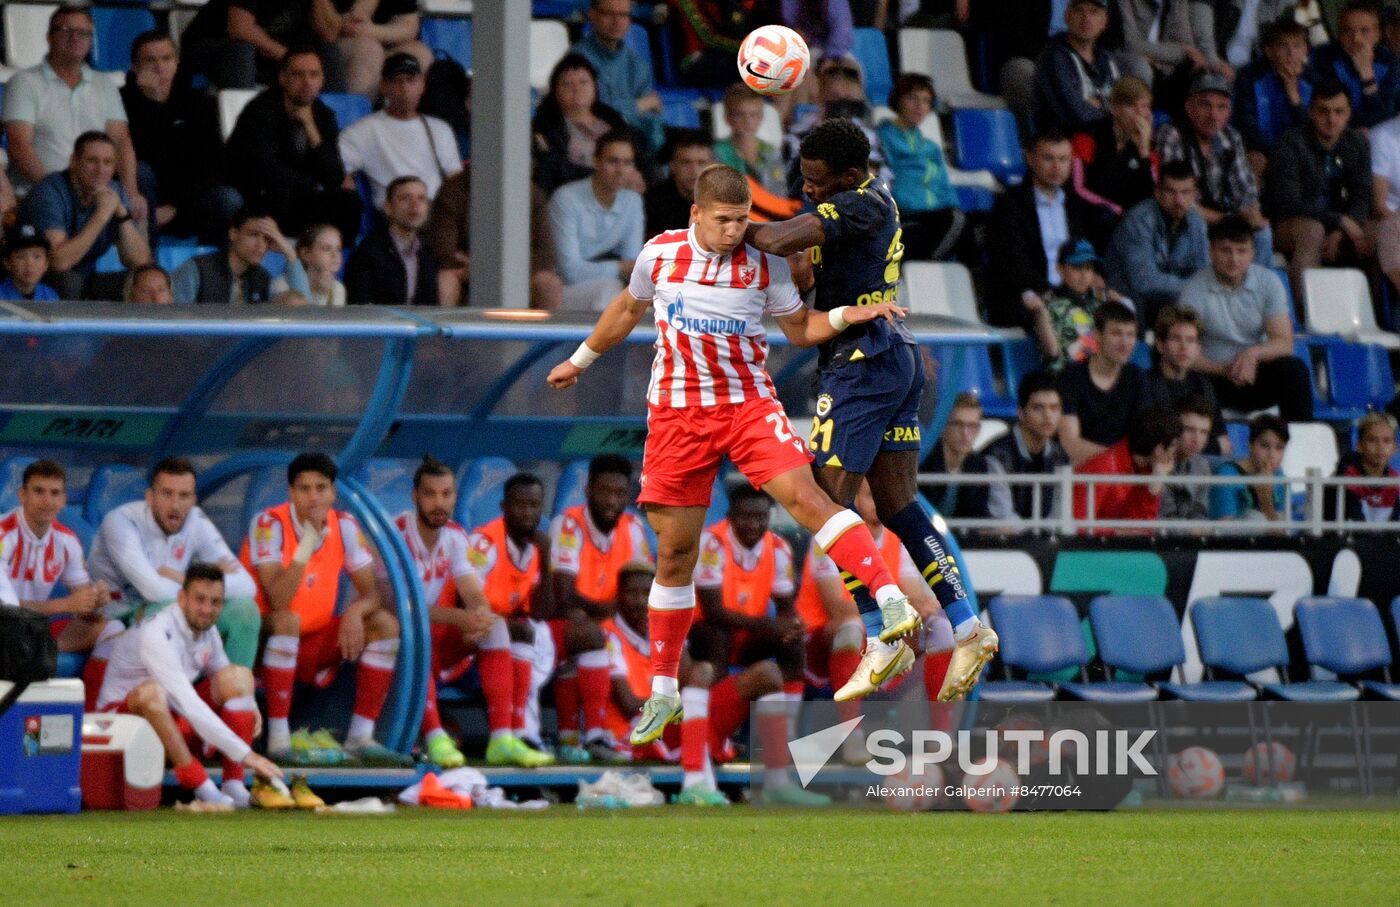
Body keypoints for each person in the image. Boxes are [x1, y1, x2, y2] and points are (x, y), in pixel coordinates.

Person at [547, 162, 926, 748]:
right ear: (696, 214)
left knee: (807, 498)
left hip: (747, 407)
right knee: (675, 554)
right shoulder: (660, 255)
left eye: (742, 220)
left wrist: (853, 313)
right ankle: (664, 691)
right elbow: (627, 309)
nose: (733, 232)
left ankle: (891, 599)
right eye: (723, 221)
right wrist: (580, 359)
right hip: (677, 417)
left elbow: (799, 329)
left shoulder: (764, 263)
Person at [743, 118, 995, 701]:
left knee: (827, 504)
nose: (808, 190)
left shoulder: (861, 202)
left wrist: (726, 222)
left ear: (849, 176)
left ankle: (883, 628)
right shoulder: (855, 209)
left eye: (815, 181)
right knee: (898, 505)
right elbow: (805, 271)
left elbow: (780, 239)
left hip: (861, 362)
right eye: (803, 180)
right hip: (889, 358)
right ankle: (967, 626)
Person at [240, 452, 406, 766]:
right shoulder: (269, 523)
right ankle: (278, 739)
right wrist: (307, 542)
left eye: (321, 488)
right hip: (262, 647)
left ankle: (360, 737)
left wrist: (356, 612)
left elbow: (372, 594)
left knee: (384, 624)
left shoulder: (344, 525)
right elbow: (279, 601)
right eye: (304, 489)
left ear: (333, 492)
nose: (313, 497)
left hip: (313, 642)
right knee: (287, 619)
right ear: (291, 492)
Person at [603, 561, 815, 805]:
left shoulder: (662, 630)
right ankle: (695, 784)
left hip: (679, 722)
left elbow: (683, 681)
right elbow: (629, 704)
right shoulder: (609, 635)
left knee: (768, 675)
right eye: (632, 593)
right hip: (640, 733)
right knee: (702, 671)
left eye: (646, 593)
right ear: (618, 597)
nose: (640, 601)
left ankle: (777, 783)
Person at [95, 565, 292, 809]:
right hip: (120, 729)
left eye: (215, 602)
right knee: (152, 692)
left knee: (240, 676)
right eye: (200, 599)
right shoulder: (157, 632)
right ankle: (202, 785)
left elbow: (228, 676)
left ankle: (234, 786)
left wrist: (251, 705)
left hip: (169, 726)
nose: (207, 609)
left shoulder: (207, 632)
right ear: (182, 598)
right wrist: (246, 753)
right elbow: (185, 700)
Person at [390, 458, 538, 770]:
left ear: (455, 496)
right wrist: (459, 618)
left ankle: (502, 738)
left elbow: (470, 588)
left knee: (496, 626)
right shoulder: (396, 534)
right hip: (404, 639)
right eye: (430, 494)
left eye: (446, 494)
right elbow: (398, 606)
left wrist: (480, 615)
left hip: (442, 637)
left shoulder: (456, 535)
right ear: (414, 496)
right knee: (413, 635)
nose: (438, 503)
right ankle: (435, 737)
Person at [795, 480, 950, 760]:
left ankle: (941, 739)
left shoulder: (896, 539)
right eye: (870, 494)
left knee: (940, 628)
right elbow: (838, 608)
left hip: (878, 640)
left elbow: (913, 594)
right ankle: (851, 737)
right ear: (855, 498)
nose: (878, 500)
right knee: (852, 628)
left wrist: (924, 608)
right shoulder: (829, 537)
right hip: (819, 648)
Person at [88, 456, 262, 673]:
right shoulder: (121, 522)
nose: (175, 505)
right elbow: (153, 591)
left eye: (184, 495)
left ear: (194, 500)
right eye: (167, 494)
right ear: (150, 497)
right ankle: (177, 698)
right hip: (121, 615)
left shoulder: (195, 520)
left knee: (245, 611)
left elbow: (247, 587)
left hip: (176, 602)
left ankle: (235, 698)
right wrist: (209, 582)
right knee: (173, 610)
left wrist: (184, 578)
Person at [540, 455, 651, 764]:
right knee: (588, 632)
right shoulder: (569, 524)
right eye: (605, 491)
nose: (612, 501)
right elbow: (565, 597)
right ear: (588, 490)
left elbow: (646, 588)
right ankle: (585, 735)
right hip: (570, 626)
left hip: (616, 626)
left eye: (620, 493)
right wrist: (613, 613)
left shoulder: (634, 528)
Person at [4, 5, 142, 223]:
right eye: (67, 31)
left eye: (84, 33)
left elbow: (121, 142)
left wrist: (132, 192)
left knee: (136, 201)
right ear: (50, 37)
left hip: (96, 189)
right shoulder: (25, 83)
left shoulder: (104, 85)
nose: (76, 38)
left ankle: (147, 258)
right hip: (42, 188)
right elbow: (19, 145)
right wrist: (58, 190)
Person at [2, 460, 120, 705]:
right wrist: (64, 605)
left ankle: (96, 713)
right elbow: (7, 612)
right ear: (22, 495)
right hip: (5, 629)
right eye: (39, 491)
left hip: (31, 634)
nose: (48, 500)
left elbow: (82, 604)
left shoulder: (67, 541)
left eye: (55, 493)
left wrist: (95, 601)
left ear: (64, 500)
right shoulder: (4, 533)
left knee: (111, 629)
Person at [458, 472, 556, 765]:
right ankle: (512, 733)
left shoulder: (534, 548)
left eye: (534, 506)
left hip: (501, 638)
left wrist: (548, 555)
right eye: (520, 505)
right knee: (515, 631)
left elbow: (542, 612)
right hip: (466, 636)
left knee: (532, 631)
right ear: (504, 507)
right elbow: (465, 599)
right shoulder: (485, 542)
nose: (527, 513)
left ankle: (518, 733)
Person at [1177, 215, 1315, 420]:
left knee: (1294, 371)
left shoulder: (1269, 282)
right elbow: (1183, 349)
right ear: (1211, 251)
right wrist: (1225, 370)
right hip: (1212, 375)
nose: (1234, 259)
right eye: (1226, 250)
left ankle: (1299, 442)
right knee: (1184, 377)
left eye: (1242, 251)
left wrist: (1253, 354)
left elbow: (1284, 343)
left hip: (1254, 373)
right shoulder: (1193, 289)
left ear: (1252, 253)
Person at [689, 487, 806, 719]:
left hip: (748, 635)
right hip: (705, 634)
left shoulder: (779, 547)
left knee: (792, 643)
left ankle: (788, 726)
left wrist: (791, 626)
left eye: (760, 517)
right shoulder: (712, 542)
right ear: (731, 515)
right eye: (745, 517)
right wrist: (767, 625)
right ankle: (718, 721)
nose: (753, 524)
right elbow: (713, 611)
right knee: (717, 635)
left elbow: (785, 607)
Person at [225, 47, 362, 244]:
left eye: (314, 75)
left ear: (322, 80)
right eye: (298, 74)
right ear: (282, 78)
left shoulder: (323, 115)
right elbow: (266, 169)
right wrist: (314, 185)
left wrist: (311, 127)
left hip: (300, 200)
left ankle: (335, 263)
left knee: (349, 203)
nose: (307, 82)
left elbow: (334, 176)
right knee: (282, 188)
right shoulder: (259, 112)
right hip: (261, 199)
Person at [122, 30, 240, 245]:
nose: (159, 67)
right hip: (142, 202)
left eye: (166, 59)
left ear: (176, 62)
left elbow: (215, 164)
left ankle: (211, 268)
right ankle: (145, 263)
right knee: (141, 171)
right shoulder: (122, 101)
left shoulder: (199, 102)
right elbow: (140, 156)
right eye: (150, 60)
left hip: (186, 204)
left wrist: (176, 208)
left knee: (228, 199)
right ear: (135, 66)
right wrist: (152, 102)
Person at [988, 130, 1109, 327]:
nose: (1057, 167)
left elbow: (1087, 252)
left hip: (1073, 292)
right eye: (1048, 158)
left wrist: (1096, 277)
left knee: (1121, 309)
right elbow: (1014, 264)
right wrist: (1055, 293)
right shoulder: (1009, 205)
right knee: (1076, 322)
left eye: (1063, 159)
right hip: (1029, 296)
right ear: (1030, 158)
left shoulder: (1075, 205)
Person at [1269, 80, 1375, 303]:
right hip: (1293, 227)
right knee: (1313, 230)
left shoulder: (1357, 143)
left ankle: (1382, 316)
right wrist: (1339, 220)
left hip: (1339, 228)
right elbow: (1287, 203)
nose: (1332, 119)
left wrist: (1339, 230)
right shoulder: (1290, 143)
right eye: (1323, 111)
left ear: (1349, 113)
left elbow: (1362, 195)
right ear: (1311, 112)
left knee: (1382, 232)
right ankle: (1306, 315)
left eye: (1339, 112)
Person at [19, 131, 152, 301]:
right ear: (74, 161)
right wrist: (102, 214)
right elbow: (58, 262)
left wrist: (121, 213)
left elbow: (141, 262)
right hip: (40, 280)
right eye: (92, 161)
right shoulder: (50, 192)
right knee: (69, 281)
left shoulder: (115, 191)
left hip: (87, 278)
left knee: (144, 283)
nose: (100, 170)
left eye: (108, 162)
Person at [1156, 72, 1273, 260]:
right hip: (1182, 220)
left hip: (1225, 220)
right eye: (1205, 105)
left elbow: (1245, 192)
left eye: (1222, 107)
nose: (1214, 115)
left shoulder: (1231, 137)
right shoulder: (1172, 134)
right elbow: (1177, 199)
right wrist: (1225, 220)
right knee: (1196, 224)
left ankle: (1257, 287)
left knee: (1263, 233)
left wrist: (1252, 215)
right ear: (1189, 107)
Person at [427, 167, 563, 310]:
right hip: (466, 271)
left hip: (520, 271)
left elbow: (544, 253)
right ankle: (446, 331)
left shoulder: (531, 193)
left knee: (549, 284)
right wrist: (480, 269)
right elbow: (444, 249)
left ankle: (543, 333)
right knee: (446, 280)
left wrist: (503, 270)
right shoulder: (453, 191)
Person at [338, 52, 461, 209]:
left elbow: (455, 182)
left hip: (435, 214)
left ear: (422, 85)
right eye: (397, 81)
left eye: (411, 80)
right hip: (394, 213)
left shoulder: (440, 129)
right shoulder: (362, 131)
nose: (404, 88)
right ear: (383, 86)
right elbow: (336, 171)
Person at [1104, 161, 1212, 323]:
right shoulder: (1139, 220)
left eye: (1186, 192)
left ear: (1194, 194)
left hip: (1172, 294)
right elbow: (1144, 281)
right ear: (1157, 192)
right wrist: (1194, 287)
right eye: (1171, 192)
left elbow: (1204, 270)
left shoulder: (1196, 222)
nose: (1179, 200)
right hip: (1129, 296)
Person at [549, 131, 645, 311]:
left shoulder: (633, 201)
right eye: (613, 161)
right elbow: (569, 272)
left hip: (607, 284)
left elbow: (632, 264)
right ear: (596, 162)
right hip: (559, 288)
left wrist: (624, 269)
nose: (620, 170)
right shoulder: (566, 199)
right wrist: (620, 267)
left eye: (627, 163)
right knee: (609, 290)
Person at [877, 74, 966, 261]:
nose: (920, 106)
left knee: (968, 227)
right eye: (912, 98)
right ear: (898, 100)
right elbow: (883, 177)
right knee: (920, 235)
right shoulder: (883, 137)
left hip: (933, 213)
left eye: (926, 101)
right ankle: (929, 265)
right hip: (902, 214)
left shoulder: (931, 148)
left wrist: (952, 208)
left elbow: (944, 185)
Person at [178, 0, 347, 92]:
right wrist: (291, 58)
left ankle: (331, 134)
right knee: (241, 50)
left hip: (269, 58)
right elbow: (240, 29)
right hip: (214, 49)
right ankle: (241, 131)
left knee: (330, 52)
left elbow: (330, 34)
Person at [532, 54, 636, 195]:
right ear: (555, 92)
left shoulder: (614, 119)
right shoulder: (546, 129)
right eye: (567, 84)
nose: (576, 88)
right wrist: (608, 179)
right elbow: (554, 171)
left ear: (595, 87)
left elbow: (642, 154)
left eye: (583, 82)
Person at [1058, 300, 1147, 464]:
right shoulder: (1071, 376)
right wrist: (1120, 460)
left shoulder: (1137, 377)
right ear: (1097, 335)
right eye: (1116, 333)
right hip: (1083, 470)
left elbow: (1142, 440)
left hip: (1124, 474)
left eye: (1130, 335)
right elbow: (1070, 444)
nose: (1125, 342)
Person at [1024, 237, 1127, 373]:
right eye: (1077, 267)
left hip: (1102, 379)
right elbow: (1055, 357)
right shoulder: (1048, 306)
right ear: (1060, 269)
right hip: (1067, 380)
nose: (1084, 275)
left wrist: (1118, 311)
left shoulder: (1103, 304)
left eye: (1089, 268)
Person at [1072, 405, 1183, 528]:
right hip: (1092, 545)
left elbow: (1141, 530)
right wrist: (1116, 533)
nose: (1175, 453)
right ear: (1159, 450)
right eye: (1173, 446)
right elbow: (1076, 524)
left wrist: (1154, 486)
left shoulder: (1149, 470)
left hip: (1120, 545)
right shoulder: (1104, 467)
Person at [574, 0, 665, 147]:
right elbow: (589, 113)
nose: (617, 21)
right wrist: (639, 105)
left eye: (623, 15)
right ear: (592, 15)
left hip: (633, 148)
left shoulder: (637, 63)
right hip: (590, 148)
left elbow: (652, 118)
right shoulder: (576, 61)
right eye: (609, 14)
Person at [1142, 304, 1230, 453]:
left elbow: (1224, 442)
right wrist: (1212, 446)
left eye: (1190, 340)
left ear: (1198, 348)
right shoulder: (1145, 384)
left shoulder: (1203, 384)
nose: (1184, 346)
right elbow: (1151, 441)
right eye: (1176, 339)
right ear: (1160, 345)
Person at [172, 211, 309, 305]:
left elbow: (303, 306)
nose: (261, 245)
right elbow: (176, 322)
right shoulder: (197, 269)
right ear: (233, 233)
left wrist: (290, 254)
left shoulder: (262, 277)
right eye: (253, 235)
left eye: (267, 239)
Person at [985, 372, 1071, 520]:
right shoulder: (996, 454)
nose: (1048, 416)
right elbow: (1003, 517)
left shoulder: (1060, 455)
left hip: (1043, 539)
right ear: (1021, 413)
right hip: (1004, 541)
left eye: (1054, 408)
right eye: (1038, 408)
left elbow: (1059, 514)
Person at [1234, 18, 1316, 172]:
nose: (1291, 53)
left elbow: (1314, 127)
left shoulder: (1313, 79)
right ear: (1269, 51)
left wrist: (1294, 97)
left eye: (1297, 46)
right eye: (1283, 46)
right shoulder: (1250, 76)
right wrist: (1276, 154)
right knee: (1256, 161)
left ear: (1306, 50)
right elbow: (1246, 123)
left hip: (1301, 151)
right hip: (1263, 150)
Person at [345, 176, 439, 306]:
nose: (414, 205)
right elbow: (361, 306)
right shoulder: (369, 252)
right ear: (388, 207)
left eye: (421, 198)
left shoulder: (428, 253)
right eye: (405, 198)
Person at [1072, 75, 1157, 216]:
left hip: (1132, 219)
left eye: (1145, 106)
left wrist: (1143, 152)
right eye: (1132, 106)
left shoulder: (1147, 146)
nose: (1140, 113)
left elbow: (1150, 197)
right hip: (1093, 214)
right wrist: (1113, 207)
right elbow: (1078, 188)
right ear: (1114, 108)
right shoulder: (1087, 136)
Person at [1034, 0, 1121, 134]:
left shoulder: (1108, 60)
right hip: (1065, 145)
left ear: (1104, 22)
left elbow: (1124, 105)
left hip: (1103, 140)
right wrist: (1110, 111)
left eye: (1094, 12)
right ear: (1066, 16)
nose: (1086, 18)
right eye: (1079, 10)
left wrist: (1098, 104)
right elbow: (1076, 114)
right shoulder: (1053, 58)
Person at [1311, 0, 1399, 129]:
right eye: (1348, 31)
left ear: (1377, 35)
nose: (1356, 39)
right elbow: (1329, 111)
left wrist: (1367, 75)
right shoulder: (1324, 57)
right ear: (1339, 35)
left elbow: (1386, 117)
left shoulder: (1389, 61)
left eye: (1364, 31)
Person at [327, 0, 433, 98]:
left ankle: (404, 115)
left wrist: (371, 31)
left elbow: (409, 27)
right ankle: (356, 113)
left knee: (421, 55)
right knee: (369, 51)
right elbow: (347, 25)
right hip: (330, 44)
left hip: (378, 41)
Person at [920, 392, 993, 520]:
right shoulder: (924, 460)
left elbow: (977, 517)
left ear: (979, 429)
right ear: (942, 426)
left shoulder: (979, 465)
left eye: (972, 426)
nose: (965, 433)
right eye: (957, 424)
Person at [713, 85, 789, 199]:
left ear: (761, 117)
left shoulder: (771, 151)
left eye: (753, 115)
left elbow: (780, 192)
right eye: (740, 115)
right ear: (727, 118)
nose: (747, 121)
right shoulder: (717, 152)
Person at [1210, 414, 1290, 520]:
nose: (1272, 455)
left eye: (1279, 448)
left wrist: (1266, 502)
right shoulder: (1226, 475)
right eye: (1265, 446)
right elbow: (1222, 529)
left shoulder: (1278, 476)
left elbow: (1282, 533)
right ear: (1250, 444)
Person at [1326, 411, 1400, 521]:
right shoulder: (1345, 477)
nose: (1380, 447)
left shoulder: (1394, 481)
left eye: (1387, 441)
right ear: (1359, 446)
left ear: (1395, 448)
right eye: (1372, 440)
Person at [645, 133, 714, 237]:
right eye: (686, 163)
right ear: (673, 166)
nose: (694, 171)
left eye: (701, 163)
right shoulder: (653, 201)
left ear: (711, 166)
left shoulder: (723, 198)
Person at [1160, 395, 1216, 521]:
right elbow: (1166, 521)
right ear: (1174, 427)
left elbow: (1201, 512)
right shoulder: (1158, 461)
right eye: (1190, 430)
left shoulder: (1202, 466)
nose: (1197, 439)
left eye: (1204, 432)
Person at [0, 226, 59, 302]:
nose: (29, 263)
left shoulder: (50, 296)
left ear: (46, 264)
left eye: (37, 257)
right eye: (21, 257)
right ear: (7, 263)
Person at [295, 224, 346, 307]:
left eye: (338, 249)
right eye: (327, 248)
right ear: (306, 254)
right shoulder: (283, 285)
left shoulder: (338, 288)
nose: (335, 255)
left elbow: (333, 319)